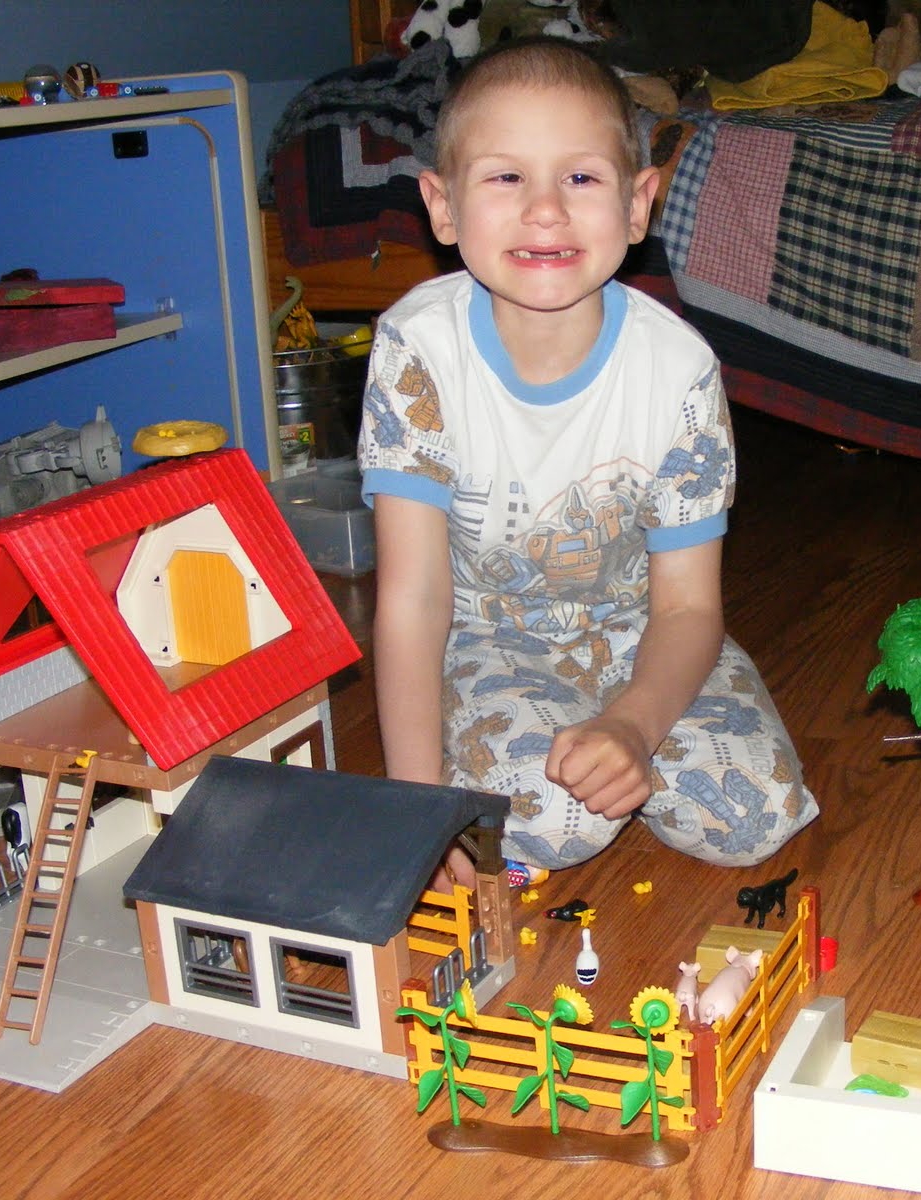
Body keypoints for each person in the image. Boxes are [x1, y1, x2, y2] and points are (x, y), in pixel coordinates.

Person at [358, 36, 817, 879]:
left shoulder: (679, 369)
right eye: (506, 177)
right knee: (546, 823)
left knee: (756, 816)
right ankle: (549, 759)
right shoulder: (415, 349)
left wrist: (634, 724)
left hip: (641, 629)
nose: (545, 210)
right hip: (486, 635)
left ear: (638, 205)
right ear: (442, 206)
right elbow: (415, 597)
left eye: (580, 178)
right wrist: (416, 805)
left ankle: (615, 749)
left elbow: (688, 608)